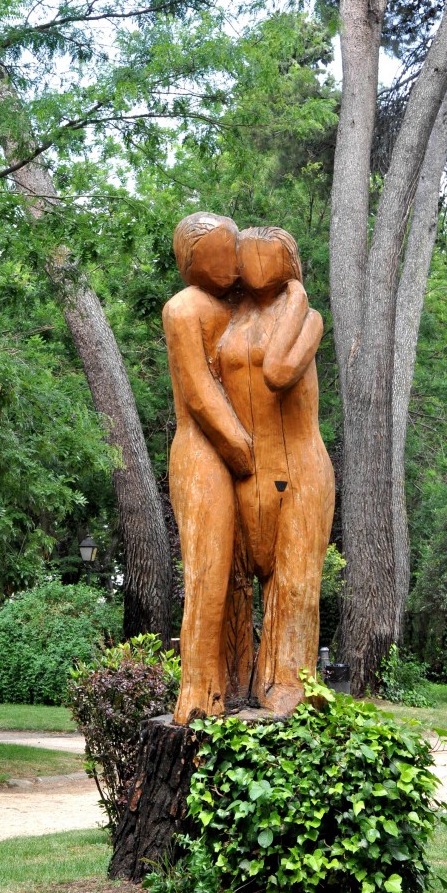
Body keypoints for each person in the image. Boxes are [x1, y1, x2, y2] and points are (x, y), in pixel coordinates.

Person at [216, 225, 335, 716]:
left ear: (289, 265)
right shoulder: (224, 318)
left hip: (299, 470)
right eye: (249, 256)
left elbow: (279, 372)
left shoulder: (307, 319)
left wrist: (296, 300)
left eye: (270, 257)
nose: (256, 265)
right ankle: (230, 681)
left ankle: (286, 684)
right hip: (241, 471)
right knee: (231, 581)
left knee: (295, 586)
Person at [163, 213, 254, 724]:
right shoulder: (184, 308)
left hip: (247, 455)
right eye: (222, 251)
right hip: (204, 453)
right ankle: (199, 691)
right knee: (209, 572)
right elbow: (198, 390)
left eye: (234, 248)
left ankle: (241, 677)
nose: (233, 259)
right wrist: (240, 446)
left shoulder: (242, 308)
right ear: (194, 259)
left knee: (241, 575)